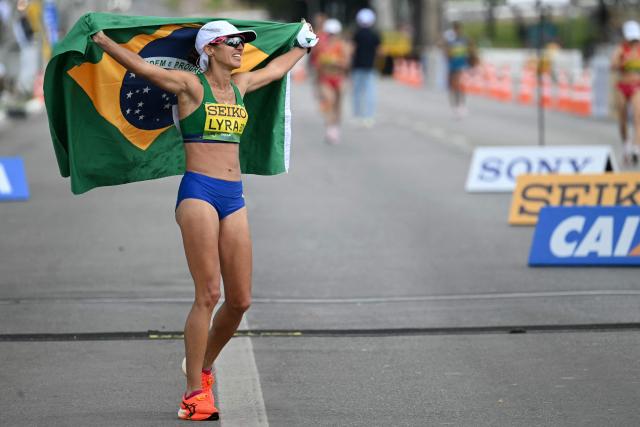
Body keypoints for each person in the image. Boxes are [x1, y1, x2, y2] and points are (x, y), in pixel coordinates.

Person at [91, 19, 318, 421]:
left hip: (234, 196)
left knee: (241, 300)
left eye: (242, 42)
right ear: (209, 48)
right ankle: (193, 394)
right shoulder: (190, 85)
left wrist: (303, 44)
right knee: (208, 294)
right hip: (199, 193)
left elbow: (277, 69)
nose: (240, 47)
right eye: (232, 42)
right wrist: (103, 40)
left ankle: (202, 365)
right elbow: (144, 69)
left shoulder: (241, 85)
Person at [314, 18, 349, 144]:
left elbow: (347, 64)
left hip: (339, 78)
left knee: (338, 105)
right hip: (325, 79)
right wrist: (316, 84)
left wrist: (336, 62)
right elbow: (317, 65)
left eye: (334, 34)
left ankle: (336, 128)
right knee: (329, 101)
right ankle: (330, 129)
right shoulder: (321, 47)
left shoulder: (342, 46)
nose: (331, 36)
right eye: (329, 34)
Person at [611, 20, 640, 165]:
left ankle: (636, 148)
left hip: (637, 86)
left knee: (637, 117)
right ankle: (626, 144)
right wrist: (624, 62)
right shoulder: (621, 49)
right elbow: (613, 65)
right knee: (622, 119)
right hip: (622, 86)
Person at [351, 8, 380, 127]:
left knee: (357, 93)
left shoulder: (356, 34)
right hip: (370, 67)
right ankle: (369, 117)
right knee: (370, 93)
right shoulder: (375, 35)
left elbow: (352, 50)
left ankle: (357, 116)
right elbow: (380, 51)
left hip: (357, 67)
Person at [444, 21, 476, 118]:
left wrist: (472, 62)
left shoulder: (465, 40)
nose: (457, 31)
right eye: (455, 29)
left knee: (459, 85)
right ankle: (454, 105)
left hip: (461, 65)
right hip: (452, 65)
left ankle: (461, 105)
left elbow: (472, 50)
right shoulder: (450, 41)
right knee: (452, 86)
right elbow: (446, 52)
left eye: (458, 29)